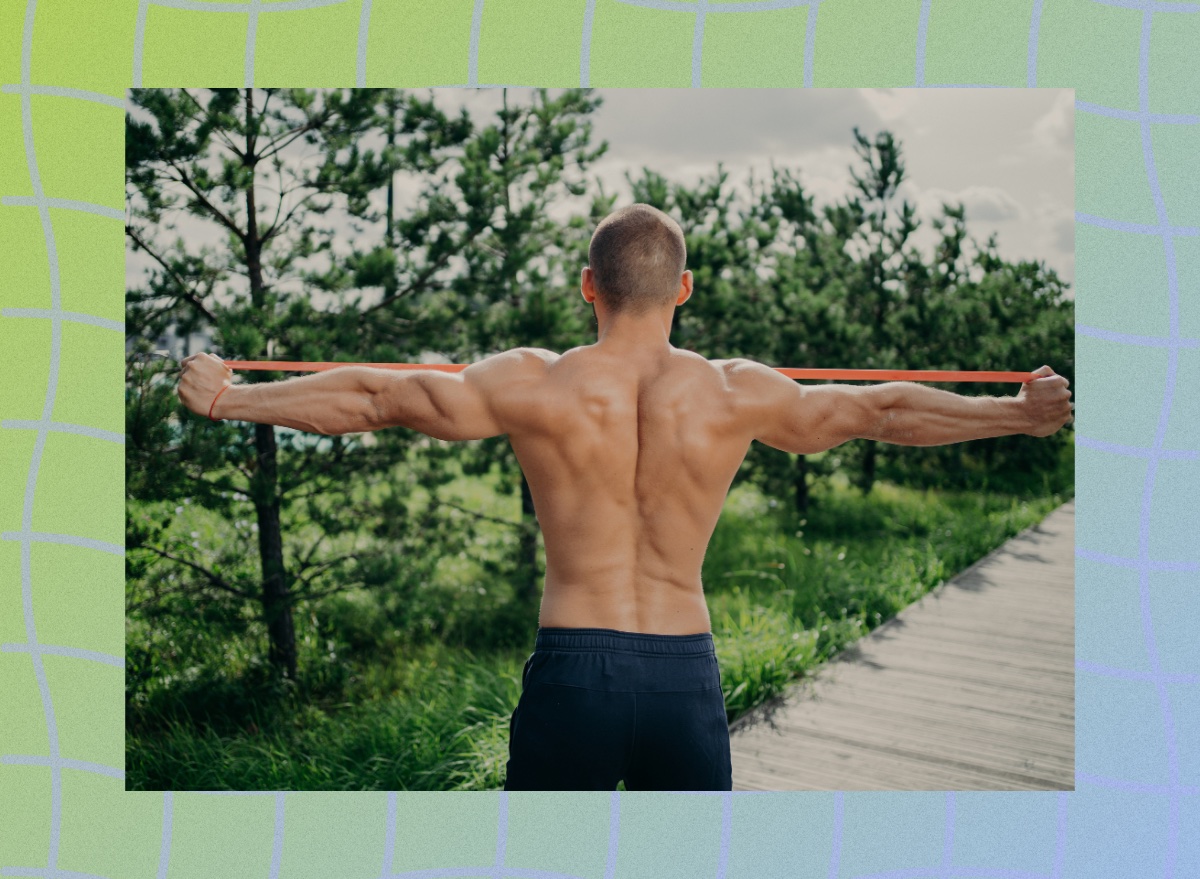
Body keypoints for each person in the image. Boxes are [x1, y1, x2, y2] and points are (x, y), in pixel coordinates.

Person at [177, 203, 1073, 791]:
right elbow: (881, 412)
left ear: (587, 287)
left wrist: (230, 397)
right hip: (684, 676)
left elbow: (380, 396)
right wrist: (1017, 416)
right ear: (683, 288)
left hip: (574, 671)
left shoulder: (535, 382)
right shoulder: (737, 391)